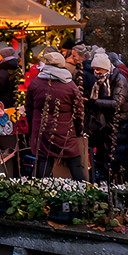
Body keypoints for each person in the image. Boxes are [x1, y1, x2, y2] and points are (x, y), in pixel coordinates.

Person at [27, 51, 85, 181]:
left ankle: (40, 191)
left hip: (42, 130)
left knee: (43, 161)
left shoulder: (35, 83)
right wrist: (78, 130)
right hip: (65, 131)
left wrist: (33, 128)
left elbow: (28, 109)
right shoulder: (70, 85)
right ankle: (84, 191)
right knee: (74, 162)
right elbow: (79, 112)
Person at [88, 51, 128, 183]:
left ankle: (121, 186)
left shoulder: (119, 79)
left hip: (120, 125)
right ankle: (111, 184)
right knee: (108, 157)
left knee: (117, 159)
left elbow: (117, 103)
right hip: (109, 124)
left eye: (99, 69)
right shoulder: (102, 81)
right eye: (94, 69)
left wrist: (94, 103)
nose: (96, 72)